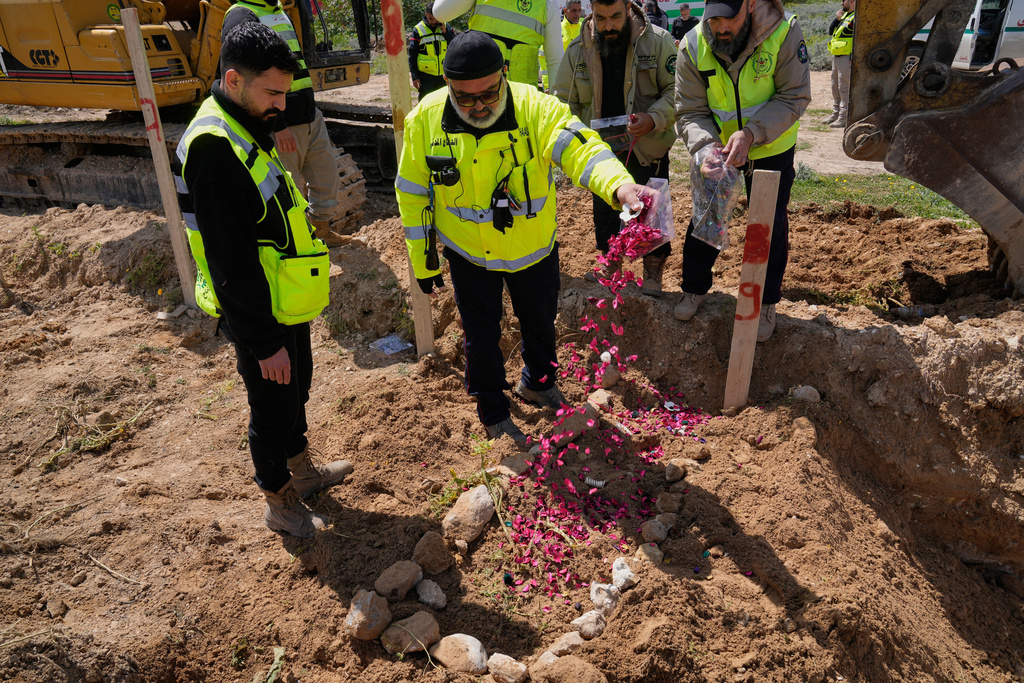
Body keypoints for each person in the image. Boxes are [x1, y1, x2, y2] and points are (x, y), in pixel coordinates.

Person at [395, 31, 648, 442]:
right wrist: (423, 261)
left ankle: (538, 383)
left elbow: (581, 148)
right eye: (464, 97)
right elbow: (411, 193)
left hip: (532, 248)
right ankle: (493, 412)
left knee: (539, 322)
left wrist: (620, 185)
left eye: (489, 94)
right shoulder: (426, 119)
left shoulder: (536, 108)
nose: (478, 106)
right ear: (447, 85)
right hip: (468, 254)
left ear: (505, 76)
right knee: (481, 335)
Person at [173, 22, 353, 538]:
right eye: (272, 92)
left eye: (286, 91)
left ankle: (301, 471)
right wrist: (262, 341)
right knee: (270, 407)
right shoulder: (213, 148)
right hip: (259, 311)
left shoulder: (244, 120)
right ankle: (279, 500)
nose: (281, 103)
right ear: (233, 80)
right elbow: (230, 260)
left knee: (295, 391)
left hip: (282, 296)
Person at [673, 0, 810, 341]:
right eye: (714, 19)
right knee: (707, 217)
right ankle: (694, 288)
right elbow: (689, 109)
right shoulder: (692, 44)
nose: (721, 28)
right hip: (718, 149)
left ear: (749, 5)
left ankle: (764, 302)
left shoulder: (783, 31)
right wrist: (704, 146)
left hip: (770, 145)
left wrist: (752, 134)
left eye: (729, 18)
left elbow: (794, 95)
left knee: (767, 225)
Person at [553, 0, 677, 296]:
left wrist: (653, 118)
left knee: (651, 206)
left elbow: (678, 90)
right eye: (601, 18)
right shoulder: (577, 51)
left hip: (647, 145)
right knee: (605, 209)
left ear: (628, 8)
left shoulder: (657, 43)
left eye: (616, 17)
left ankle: (653, 269)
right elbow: (562, 105)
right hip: (602, 149)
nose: (608, 26)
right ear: (591, 12)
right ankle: (611, 263)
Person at [222, 0, 346, 247]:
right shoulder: (242, 15)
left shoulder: (278, 11)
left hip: (308, 114)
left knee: (326, 175)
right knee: (286, 189)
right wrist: (278, 125)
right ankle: (296, 243)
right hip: (283, 120)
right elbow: (252, 83)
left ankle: (320, 230)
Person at [432, 0, 564, 87]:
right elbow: (441, 13)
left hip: (522, 104)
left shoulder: (546, 2)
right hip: (478, 97)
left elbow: (555, 60)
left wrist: (558, 107)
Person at [409, 3, 458, 101]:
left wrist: (446, 33)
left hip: (444, 75)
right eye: (431, 19)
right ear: (426, 15)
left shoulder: (445, 26)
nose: (434, 21)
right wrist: (415, 77)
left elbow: (455, 45)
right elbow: (412, 55)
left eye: (436, 18)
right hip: (426, 76)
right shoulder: (418, 29)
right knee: (425, 102)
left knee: (444, 103)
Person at [825, 0, 856, 128]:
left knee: (844, 88)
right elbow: (831, 31)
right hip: (837, 57)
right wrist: (836, 20)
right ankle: (835, 114)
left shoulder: (856, 17)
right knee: (835, 87)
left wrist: (854, 57)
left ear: (852, 1)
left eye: (844, 0)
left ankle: (844, 117)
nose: (842, 2)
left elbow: (859, 39)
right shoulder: (843, 16)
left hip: (847, 57)